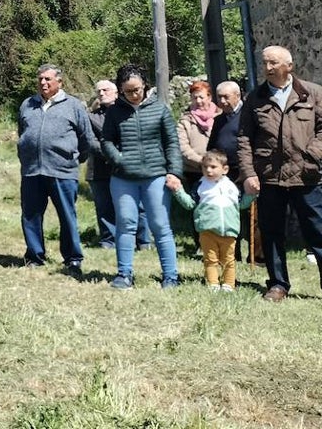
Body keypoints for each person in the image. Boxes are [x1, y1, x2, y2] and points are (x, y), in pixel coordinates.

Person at [236, 45, 322, 302]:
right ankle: (277, 285)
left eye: (273, 63)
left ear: (289, 66)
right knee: (272, 232)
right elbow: (244, 139)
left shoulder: (312, 93)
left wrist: (313, 157)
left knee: (318, 231)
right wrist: (249, 173)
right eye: (264, 63)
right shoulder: (255, 98)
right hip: (270, 178)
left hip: (307, 177)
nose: (268, 68)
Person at [99, 64, 181, 291]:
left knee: (160, 225)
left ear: (145, 85)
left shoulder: (160, 109)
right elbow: (106, 141)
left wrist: (174, 172)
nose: (134, 95)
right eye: (128, 91)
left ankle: (170, 276)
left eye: (137, 89)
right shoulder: (115, 112)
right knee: (125, 224)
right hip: (123, 178)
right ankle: (124, 274)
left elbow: (172, 142)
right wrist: (119, 159)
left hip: (155, 176)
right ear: (121, 91)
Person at [17, 63, 93, 277]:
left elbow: (85, 138)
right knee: (30, 215)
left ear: (59, 82)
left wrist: (74, 158)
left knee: (67, 216)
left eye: (48, 79)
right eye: (40, 79)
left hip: (62, 170)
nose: (43, 83)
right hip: (32, 170)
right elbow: (22, 132)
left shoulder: (73, 105)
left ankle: (73, 258)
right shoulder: (28, 105)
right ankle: (34, 255)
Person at [169, 150, 255, 291]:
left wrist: (252, 195)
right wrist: (178, 191)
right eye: (205, 167)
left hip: (229, 231)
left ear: (225, 169)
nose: (208, 170)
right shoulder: (200, 186)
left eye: (213, 167)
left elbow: (241, 205)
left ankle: (228, 284)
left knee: (229, 261)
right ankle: (213, 284)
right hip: (207, 231)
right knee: (211, 260)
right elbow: (190, 204)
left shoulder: (232, 187)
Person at [87, 79, 151, 251]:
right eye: (98, 91)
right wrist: (113, 155)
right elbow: (90, 141)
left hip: (130, 165)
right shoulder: (91, 117)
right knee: (105, 206)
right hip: (100, 169)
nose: (101, 93)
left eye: (105, 90)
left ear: (117, 92)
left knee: (138, 205)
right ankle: (109, 240)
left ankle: (143, 240)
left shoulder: (129, 113)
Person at [177, 80, 219, 189]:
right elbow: (183, 148)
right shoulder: (185, 120)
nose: (198, 101)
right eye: (194, 98)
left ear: (209, 97)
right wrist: (203, 163)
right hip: (194, 172)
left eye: (201, 97)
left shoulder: (220, 117)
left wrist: (215, 164)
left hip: (219, 170)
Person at [207, 81, 244, 175]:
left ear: (238, 96)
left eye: (226, 97)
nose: (222, 101)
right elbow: (211, 147)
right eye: (219, 97)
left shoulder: (248, 116)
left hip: (243, 170)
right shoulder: (219, 120)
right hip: (223, 172)